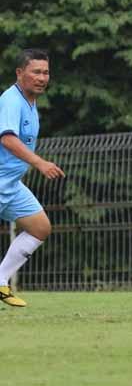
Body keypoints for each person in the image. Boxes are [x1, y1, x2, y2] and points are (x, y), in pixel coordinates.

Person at [0, 49, 65, 307]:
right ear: (20, 73)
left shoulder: (30, 101)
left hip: (11, 185)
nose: (41, 77)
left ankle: (1, 280)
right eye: (35, 72)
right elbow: (7, 138)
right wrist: (39, 162)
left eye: (45, 72)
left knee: (40, 228)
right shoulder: (11, 100)